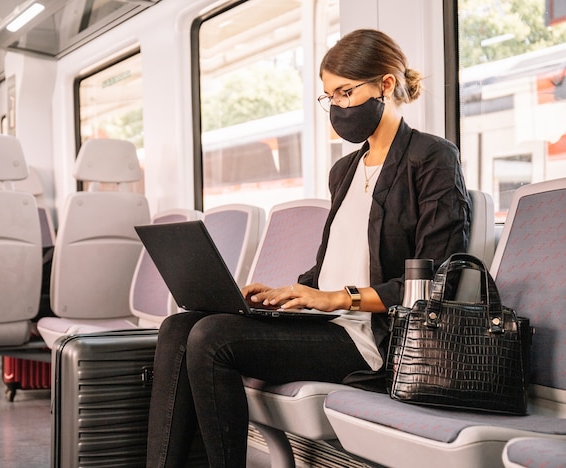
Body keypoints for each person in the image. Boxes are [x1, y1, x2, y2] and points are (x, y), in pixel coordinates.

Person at [146, 28, 471, 467]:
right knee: (180, 326)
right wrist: (286, 294)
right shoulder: (345, 170)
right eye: (329, 96)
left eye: (345, 92)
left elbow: (436, 282)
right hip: (329, 324)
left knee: (212, 338)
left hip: (373, 341)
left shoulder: (432, 158)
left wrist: (338, 298)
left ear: (385, 85)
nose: (336, 106)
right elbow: (328, 269)